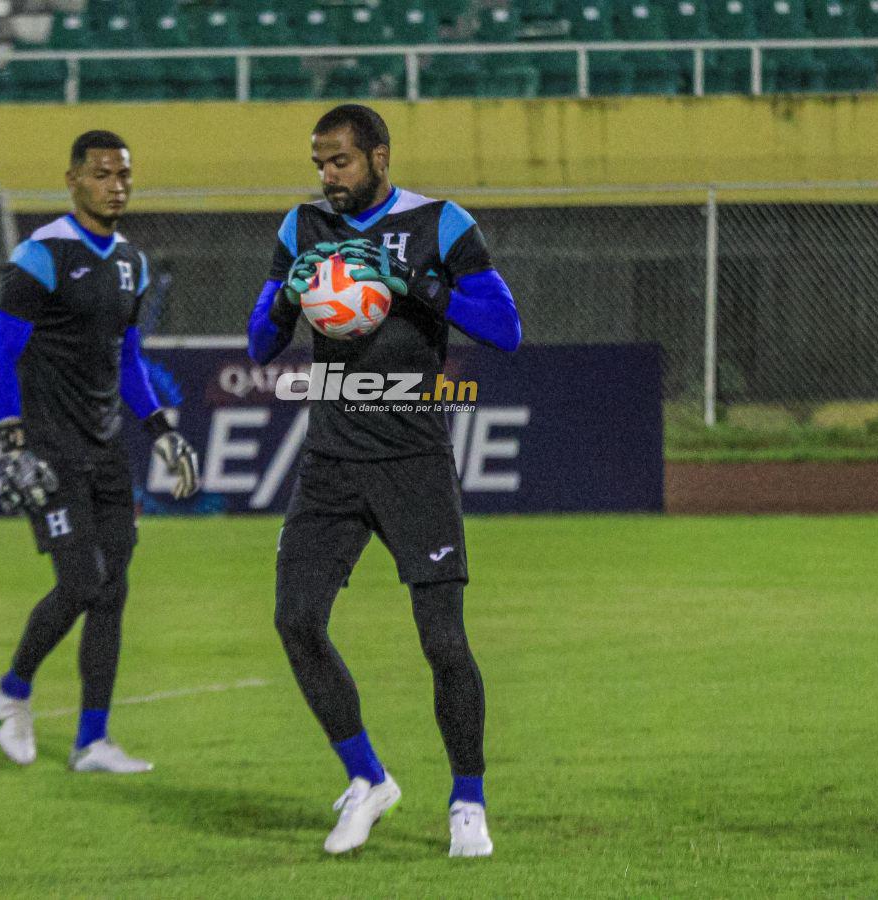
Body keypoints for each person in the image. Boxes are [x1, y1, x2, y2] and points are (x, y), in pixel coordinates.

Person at [247, 105, 521, 856]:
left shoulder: (441, 222)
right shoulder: (303, 229)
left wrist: (410, 283)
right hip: (331, 461)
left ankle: (467, 799)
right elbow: (262, 343)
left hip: (413, 461)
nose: (327, 177)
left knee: (442, 642)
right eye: (318, 164)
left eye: (339, 161)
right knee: (296, 620)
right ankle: (367, 779)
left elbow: (505, 328)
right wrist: (285, 297)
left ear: (379, 156)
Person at [0, 130, 199, 774]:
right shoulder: (41, 255)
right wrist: (12, 441)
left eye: (125, 174)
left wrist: (162, 429)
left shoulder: (130, 260)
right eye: (103, 174)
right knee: (81, 580)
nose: (117, 185)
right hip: (50, 450)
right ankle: (14, 690)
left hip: (108, 451)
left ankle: (92, 740)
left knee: (113, 591)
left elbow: (127, 359)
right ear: (73, 179)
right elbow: (0, 356)